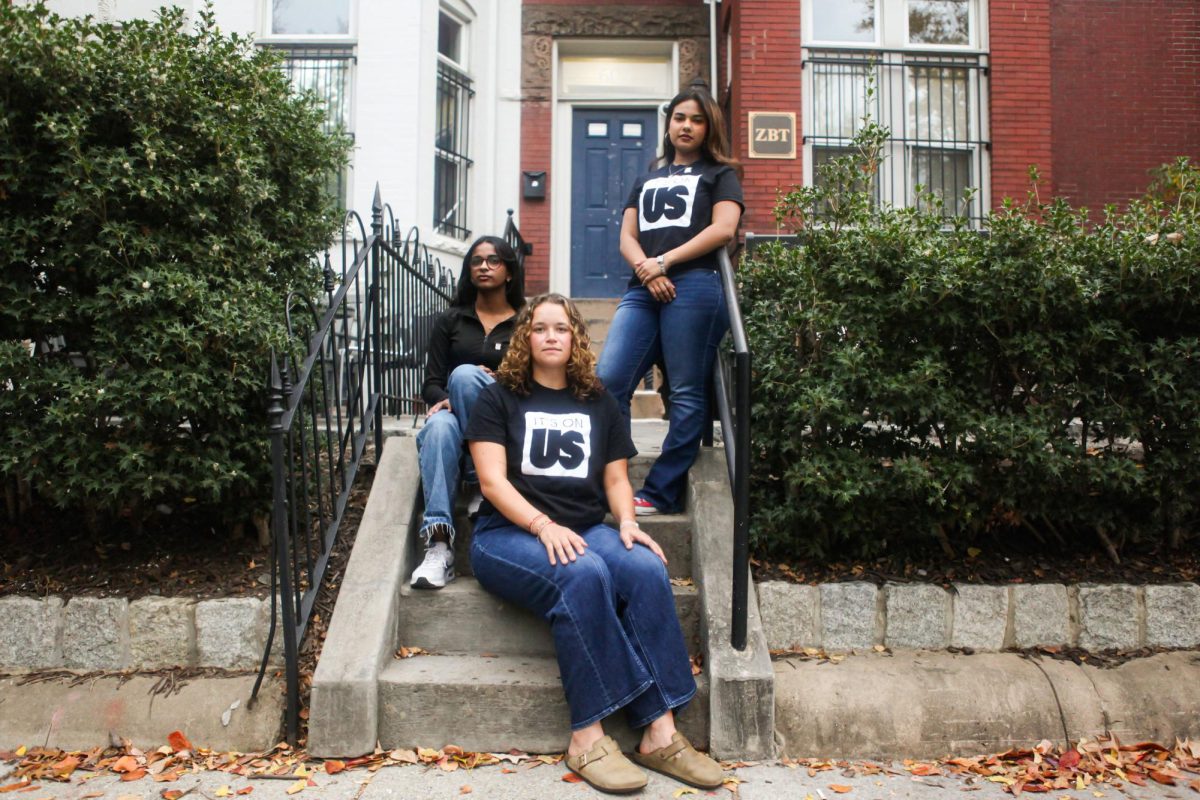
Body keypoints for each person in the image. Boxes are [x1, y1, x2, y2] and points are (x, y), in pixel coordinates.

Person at [465, 294, 724, 794]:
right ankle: (587, 736)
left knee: (645, 569)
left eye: (561, 328)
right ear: (526, 337)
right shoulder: (499, 397)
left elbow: (616, 479)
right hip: (508, 536)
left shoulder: (598, 400)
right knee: (582, 575)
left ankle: (660, 732)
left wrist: (627, 522)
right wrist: (542, 525)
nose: (551, 337)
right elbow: (493, 483)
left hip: (586, 530)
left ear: (575, 337)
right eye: (540, 328)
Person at [596, 82, 744, 516]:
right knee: (608, 381)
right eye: (680, 117)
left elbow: (723, 229)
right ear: (668, 123)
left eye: (697, 120)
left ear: (708, 127)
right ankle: (615, 479)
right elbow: (627, 236)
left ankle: (660, 490)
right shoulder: (648, 177)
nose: (687, 126)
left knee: (684, 391)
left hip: (695, 284)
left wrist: (664, 262)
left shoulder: (720, 174)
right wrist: (648, 267)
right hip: (644, 288)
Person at [410, 236, 524, 590]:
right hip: (455, 415)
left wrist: (498, 379)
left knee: (465, 374)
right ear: (468, 270)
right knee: (440, 427)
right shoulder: (450, 321)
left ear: (508, 271)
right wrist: (446, 398)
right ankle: (439, 546)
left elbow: (531, 382)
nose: (484, 267)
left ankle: (479, 478)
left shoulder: (525, 322)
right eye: (476, 261)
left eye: (493, 260)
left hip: (503, 422)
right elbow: (430, 381)